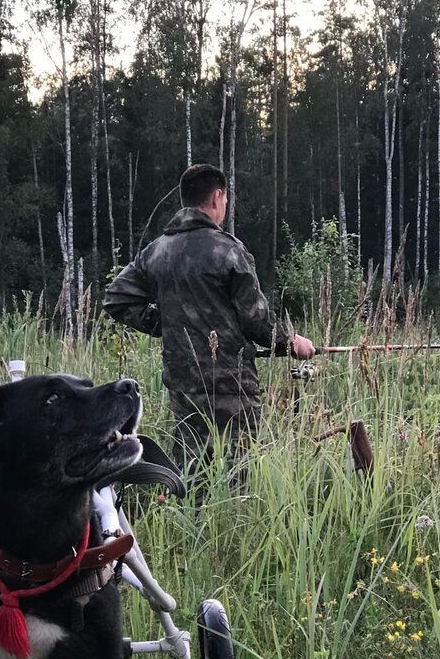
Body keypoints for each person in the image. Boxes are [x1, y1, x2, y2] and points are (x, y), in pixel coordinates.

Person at [103, 163, 315, 473]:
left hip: (184, 386)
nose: (225, 206)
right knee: (239, 474)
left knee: (192, 474)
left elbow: (116, 299)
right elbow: (257, 323)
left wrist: (165, 324)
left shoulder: (156, 252)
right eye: (225, 200)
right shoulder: (228, 251)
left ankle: (195, 518)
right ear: (216, 198)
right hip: (232, 385)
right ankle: (236, 522)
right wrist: (292, 341)